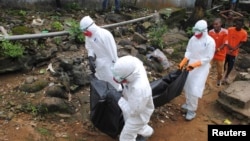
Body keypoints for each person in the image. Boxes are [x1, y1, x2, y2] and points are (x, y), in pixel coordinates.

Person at [178, 20, 215, 121]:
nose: (196, 34)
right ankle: (188, 103)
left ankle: (192, 110)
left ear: (204, 31)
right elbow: (189, 51)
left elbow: (208, 57)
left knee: (195, 89)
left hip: (201, 68)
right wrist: (183, 61)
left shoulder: (210, 41)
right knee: (187, 85)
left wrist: (196, 64)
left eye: (198, 33)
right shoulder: (193, 39)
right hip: (191, 66)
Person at [111, 55, 155, 141]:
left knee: (125, 137)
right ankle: (147, 132)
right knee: (134, 123)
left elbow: (133, 112)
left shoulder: (140, 88)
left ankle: (140, 133)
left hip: (138, 115)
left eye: (121, 79)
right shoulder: (133, 64)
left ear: (130, 75)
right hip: (134, 101)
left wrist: (118, 99)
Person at [79, 16, 122, 91]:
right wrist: (91, 57)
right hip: (99, 62)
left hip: (109, 63)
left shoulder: (104, 34)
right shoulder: (88, 36)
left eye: (85, 30)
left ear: (90, 27)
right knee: (102, 81)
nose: (84, 32)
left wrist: (115, 65)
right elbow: (90, 47)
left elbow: (112, 51)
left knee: (113, 84)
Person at [223, 18, 248, 84]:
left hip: (233, 53)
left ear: (242, 25)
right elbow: (225, 37)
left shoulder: (244, 33)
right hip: (226, 50)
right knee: (223, 64)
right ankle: (222, 76)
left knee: (230, 66)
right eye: (237, 24)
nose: (237, 26)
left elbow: (242, 42)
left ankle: (226, 76)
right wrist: (228, 45)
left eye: (239, 25)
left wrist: (234, 48)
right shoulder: (230, 29)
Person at [208, 18, 228, 86]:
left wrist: (217, 50)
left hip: (220, 55)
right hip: (211, 54)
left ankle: (219, 79)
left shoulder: (225, 32)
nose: (215, 25)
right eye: (214, 24)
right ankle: (206, 83)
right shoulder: (210, 32)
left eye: (216, 24)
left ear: (220, 24)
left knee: (220, 71)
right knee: (207, 68)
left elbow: (225, 43)